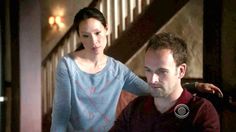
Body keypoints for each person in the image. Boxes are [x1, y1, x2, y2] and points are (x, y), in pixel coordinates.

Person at [50, 7, 222, 132]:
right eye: (85, 36)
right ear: (79, 37)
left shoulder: (117, 69)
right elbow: (60, 115)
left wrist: (193, 87)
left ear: (107, 30)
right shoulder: (68, 65)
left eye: (97, 33)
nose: (93, 41)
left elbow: (152, 88)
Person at [110, 33, 220, 131]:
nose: (153, 80)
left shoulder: (201, 112)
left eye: (162, 71)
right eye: (148, 70)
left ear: (181, 71)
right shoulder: (135, 109)